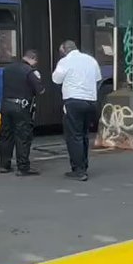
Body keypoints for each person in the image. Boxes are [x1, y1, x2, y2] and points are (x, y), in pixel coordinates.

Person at [52, 40, 102, 181]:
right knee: (84, 135)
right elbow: (98, 78)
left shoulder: (65, 61)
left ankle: (78, 171)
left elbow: (56, 79)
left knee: (74, 136)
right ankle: (84, 165)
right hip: (91, 101)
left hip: (74, 102)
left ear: (64, 50)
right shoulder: (91, 60)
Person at [0, 49, 45, 176]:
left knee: (6, 135)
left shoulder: (7, 69)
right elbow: (40, 90)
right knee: (23, 136)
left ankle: (4, 165)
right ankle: (23, 167)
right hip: (21, 108)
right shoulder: (30, 71)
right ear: (33, 59)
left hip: (5, 105)